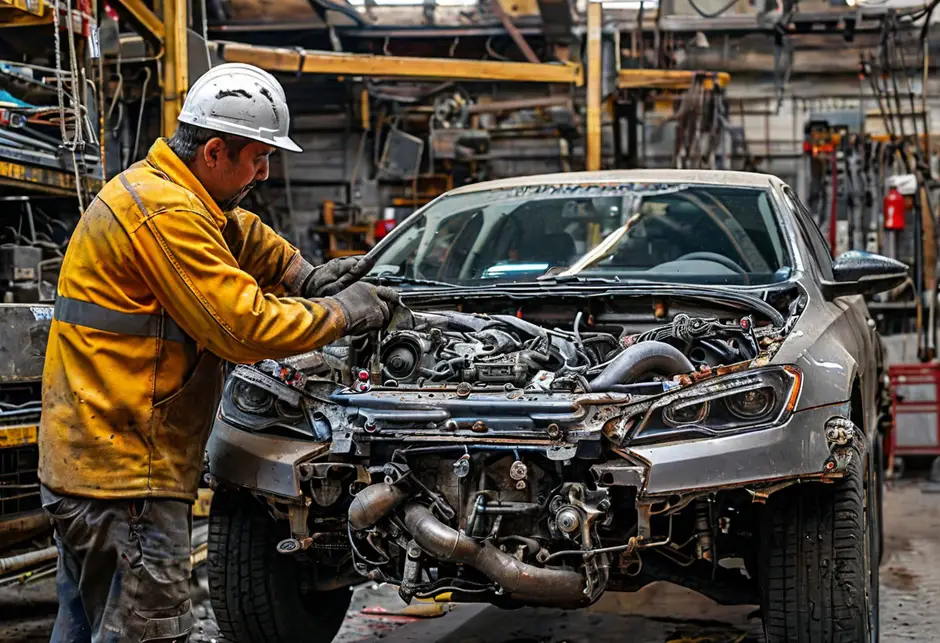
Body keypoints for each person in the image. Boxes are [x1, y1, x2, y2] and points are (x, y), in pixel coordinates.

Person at [37, 63, 397, 642]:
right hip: (125, 481)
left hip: (92, 468)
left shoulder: (167, 192)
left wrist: (308, 277)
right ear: (213, 152)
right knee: (139, 631)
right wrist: (345, 311)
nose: (264, 171)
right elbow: (242, 328)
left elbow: (239, 233)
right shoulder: (165, 213)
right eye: (257, 157)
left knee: (85, 628)